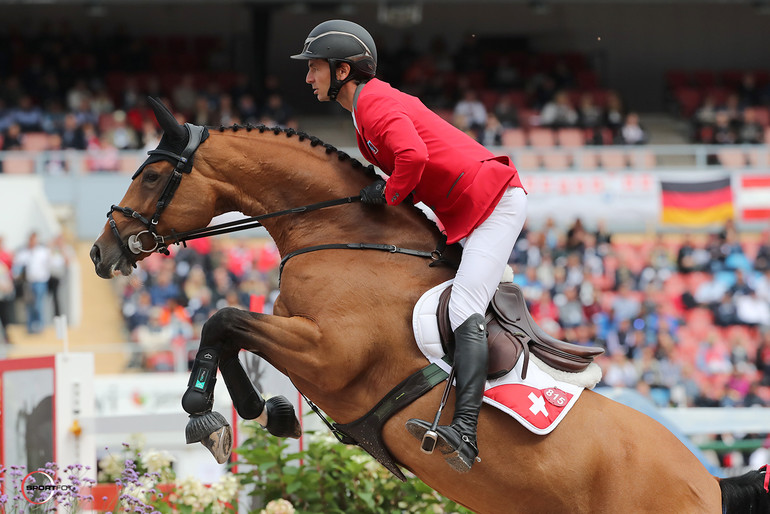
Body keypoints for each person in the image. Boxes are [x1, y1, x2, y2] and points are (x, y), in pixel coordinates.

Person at [291, 19, 528, 473]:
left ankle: (465, 430)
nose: (307, 77)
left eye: (314, 67)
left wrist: (388, 192)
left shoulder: (375, 104)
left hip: (493, 203)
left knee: (463, 310)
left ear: (342, 71)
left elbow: (414, 158)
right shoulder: (364, 111)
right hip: (462, 208)